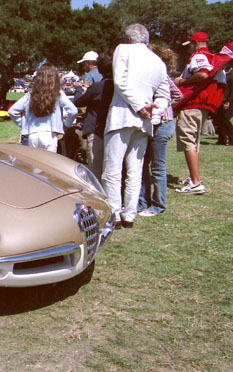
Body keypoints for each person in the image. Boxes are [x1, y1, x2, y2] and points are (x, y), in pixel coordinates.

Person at [102, 24, 170, 229]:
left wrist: (141, 107)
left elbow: (120, 82)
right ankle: (129, 215)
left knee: (112, 171)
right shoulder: (158, 61)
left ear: (128, 39)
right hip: (144, 121)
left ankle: (113, 214)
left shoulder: (123, 49)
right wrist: (154, 111)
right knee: (135, 170)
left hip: (123, 116)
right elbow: (165, 95)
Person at [174, 32, 226, 194]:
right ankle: (194, 177)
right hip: (204, 105)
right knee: (194, 142)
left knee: (187, 140)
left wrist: (183, 81)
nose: (189, 48)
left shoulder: (199, 55)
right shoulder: (214, 58)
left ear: (195, 43)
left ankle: (196, 183)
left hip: (193, 103)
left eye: (190, 45)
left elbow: (202, 73)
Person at [137, 45, 182, 217]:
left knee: (157, 166)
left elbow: (178, 95)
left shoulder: (161, 76)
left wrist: (166, 109)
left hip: (162, 125)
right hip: (150, 125)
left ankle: (158, 205)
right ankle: (142, 202)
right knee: (142, 164)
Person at [9, 65, 78, 152]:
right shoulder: (58, 94)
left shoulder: (30, 95)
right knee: (48, 164)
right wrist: (66, 125)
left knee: (33, 164)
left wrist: (24, 124)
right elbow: (73, 111)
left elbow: (12, 111)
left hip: (32, 135)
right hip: (50, 136)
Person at [73, 53, 114, 179]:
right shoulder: (118, 87)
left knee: (95, 169)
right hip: (112, 130)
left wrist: (78, 89)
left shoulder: (97, 86)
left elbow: (79, 101)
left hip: (96, 130)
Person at [214, 67, 233, 146]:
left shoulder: (231, 78)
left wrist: (228, 101)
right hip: (221, 100)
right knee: (220, 120)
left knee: (225, 120)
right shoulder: (221, 77)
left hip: (228, 101)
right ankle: (222, 139)